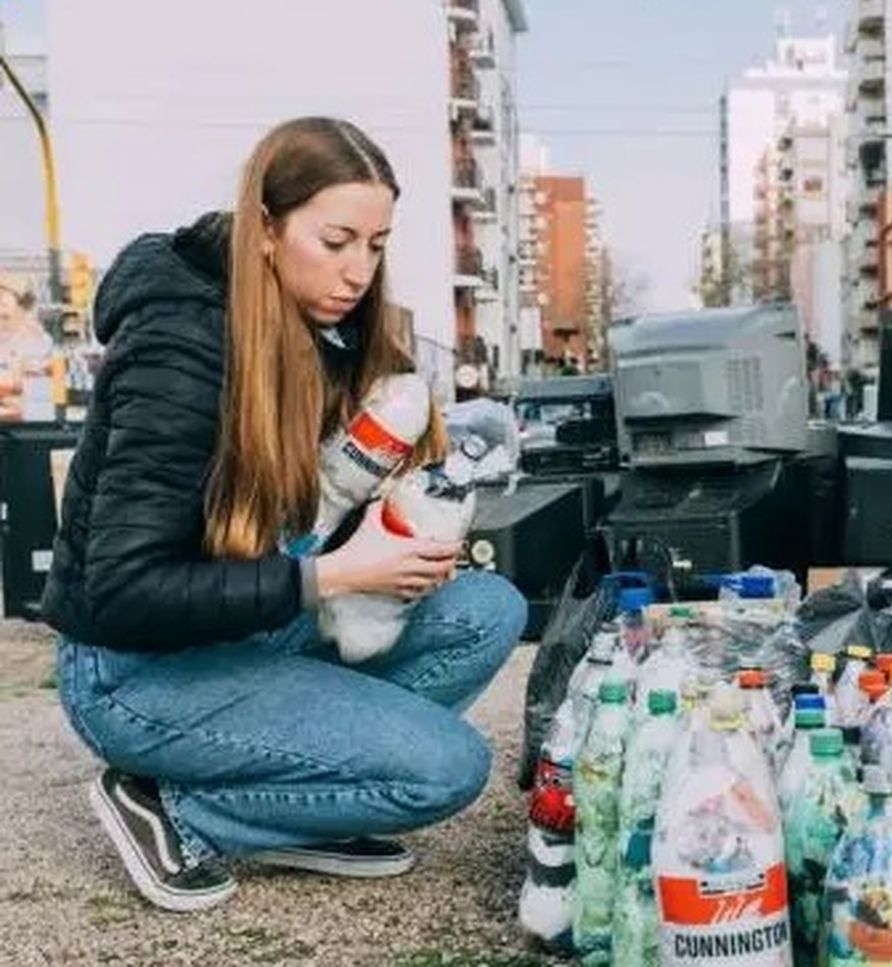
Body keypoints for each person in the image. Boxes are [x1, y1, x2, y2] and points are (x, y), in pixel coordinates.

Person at [41, 117, 527, 913]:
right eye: (335, 240)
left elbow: (313, 511)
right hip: (135, 667)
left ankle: (311, 796)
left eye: (375, 245)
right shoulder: (179, 350)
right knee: (446, 769)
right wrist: (337, 573)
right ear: (266, 229)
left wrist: (400, 527)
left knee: (486, 610)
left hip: (243, 622)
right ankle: (177, 809)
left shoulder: (326, 333)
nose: (358, 270)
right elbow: (122, 590)